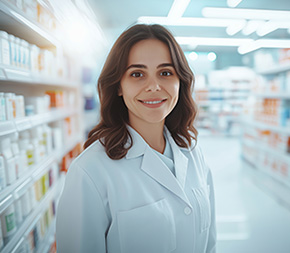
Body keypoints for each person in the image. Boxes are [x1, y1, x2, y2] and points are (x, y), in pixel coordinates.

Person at [56, 24, 216, 253]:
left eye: (165, 72)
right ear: (118, 86)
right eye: (137, 74)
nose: (154, 86)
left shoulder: (193, 152)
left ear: (180, 81)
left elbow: (209, 243)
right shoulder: (90, 171)